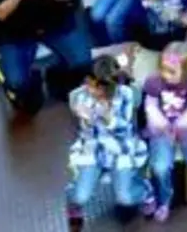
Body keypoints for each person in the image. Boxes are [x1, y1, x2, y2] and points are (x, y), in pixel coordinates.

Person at [66, 56, 153, 229]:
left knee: (125, 197)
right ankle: (73, 205)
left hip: (120, 149)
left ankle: (145, 191)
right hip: (93, 149)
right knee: (81, 195)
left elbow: (124, 130)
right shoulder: (81, 95)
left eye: (95, 87)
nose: (89, 89)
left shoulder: (126, 95)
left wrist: (108, 118)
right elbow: (85, 128)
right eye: (88, 83)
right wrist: (85, 117)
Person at [143, 42, 187, 219]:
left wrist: (183, 124)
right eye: (163, 69)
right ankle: (164, 200)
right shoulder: (153, 80)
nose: (166, 75)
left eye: (172, 71)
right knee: (159, 167)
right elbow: (150, 106)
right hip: (161, 129)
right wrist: (162, 124)